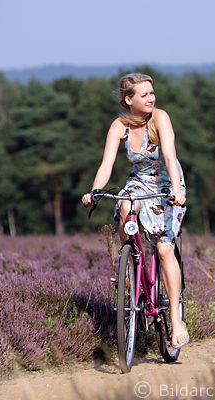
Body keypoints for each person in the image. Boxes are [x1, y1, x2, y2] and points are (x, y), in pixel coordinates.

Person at [81, 72, 188, 349]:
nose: (151, 98)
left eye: (152, 93)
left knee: (164, 250)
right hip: (139, 182)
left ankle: (176, 319)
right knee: (125, 203)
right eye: (144, 95)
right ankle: (128, 263)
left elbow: (169, 155)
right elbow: (106, 165)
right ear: (129, 100)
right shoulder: (119, 126)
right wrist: (94, 192)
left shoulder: (160, 118)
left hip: (167, 183)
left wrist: (176, 190)